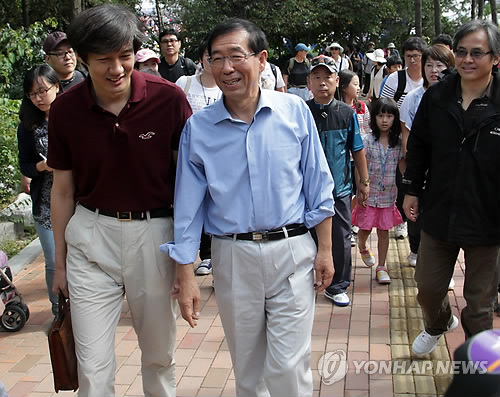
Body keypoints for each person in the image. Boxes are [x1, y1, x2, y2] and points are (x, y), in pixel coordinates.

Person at [162, 18, 335, 397]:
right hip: (232, 254)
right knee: (248, 369)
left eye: (236, 56)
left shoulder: (294, 112)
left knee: (289, 367)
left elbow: (318, 186)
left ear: (261, 60)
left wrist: (325, 249)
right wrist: (186, 273)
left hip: (292, 251)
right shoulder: (199, 128)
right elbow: (188, 209)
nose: (226, 68)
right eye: (216, 59)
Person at [47, 5, 192, 396]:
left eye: (125, 56)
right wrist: (59, 265)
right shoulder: (65, 110)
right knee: (92, 368)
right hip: (91, 237)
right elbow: (62, 191)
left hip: (155, 235)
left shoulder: (170, 100)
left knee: (159, 356)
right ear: (82, 58)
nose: (116, 68)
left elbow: (189, 184)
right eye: (103, 59)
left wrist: (186, 261)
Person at [403, 19, 500, 355]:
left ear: (495, 57)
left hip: (488, 219)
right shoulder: (438, 97)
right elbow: (418, 146)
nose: (467, 59)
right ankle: (438, 322)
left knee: (479, 304)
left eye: (477, 52)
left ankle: (476, 371)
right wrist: (411, 188)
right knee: (427, 287)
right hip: (439, 210)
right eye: (461, 52)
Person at [306, 55, 369, 307]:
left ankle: (338, 285)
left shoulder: (346, 113)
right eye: (317, 77)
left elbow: (357, 149)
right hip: (305, 188)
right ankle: (306, 283)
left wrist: (363, 182)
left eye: (328, 77)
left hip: (339, 188)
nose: (322, 83)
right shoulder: (302, 111)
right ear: (309, 82)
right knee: (305, 237)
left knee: (341, 237)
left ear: (336, 81)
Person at [399, 44, 455, 268]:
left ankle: (443, 265)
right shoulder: (414, 97)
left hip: (446, 168)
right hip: (420, 165)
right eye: (429, 65)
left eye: (439, 65)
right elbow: (407, 134)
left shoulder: (457, 96)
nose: (433, 70)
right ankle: (416, 248)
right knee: (416, 207)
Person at [175, 39, 222, 276]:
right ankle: (203, 255)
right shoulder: (185, 82)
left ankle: (215, 255)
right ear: (202, 59)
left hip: (220, 153)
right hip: (190, 151)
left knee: (217, 202)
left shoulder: (226, 86)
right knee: (195, 202)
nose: (211, 61)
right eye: (208, 56)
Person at [17, 65, 60, 315]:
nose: (39, 98)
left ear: (56, 86)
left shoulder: (73, 117)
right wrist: (41, 166)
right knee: (53, 260)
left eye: (43, 90)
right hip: (45, 204)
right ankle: (58, 310)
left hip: (79, 201)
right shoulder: (27, 126)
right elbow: (24, 164)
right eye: (33, 94)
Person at [353, 98, 404, 284]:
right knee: (365, 227)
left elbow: (403, 166)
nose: (384, 120)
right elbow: (359, 165)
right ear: (373, 118)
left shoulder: (398, 144)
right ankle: (362, 245)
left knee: (384, 231)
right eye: (380, 115)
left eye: (389, 116)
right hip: (369, 193)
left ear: (395, 119)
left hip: (388, 196)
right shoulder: (367, 140)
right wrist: (361, 186)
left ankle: (382, 267)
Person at [381, 36, 427, 240]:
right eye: (409, 56)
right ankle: (401, 221)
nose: (413, 60)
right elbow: (384, 106)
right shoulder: (395, 79)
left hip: (425, 139)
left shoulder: (431, 79)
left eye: (417, 56)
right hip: (399, 137)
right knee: (401, 179)